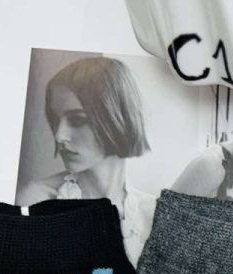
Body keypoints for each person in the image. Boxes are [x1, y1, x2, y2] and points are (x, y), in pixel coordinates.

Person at [17, 56, 155, 263]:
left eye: (77, 120)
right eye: (55, 120)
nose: (59, 136)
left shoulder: (151, 214)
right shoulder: (37, 200)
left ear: (116, 117)